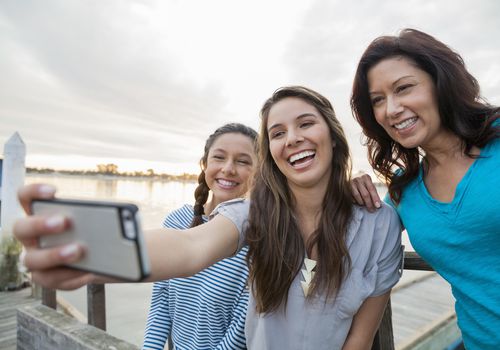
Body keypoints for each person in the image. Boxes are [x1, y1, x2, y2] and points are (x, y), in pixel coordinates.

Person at [15, 86, 403, 350]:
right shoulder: (254, 214)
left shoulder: (380, 223)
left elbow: (359, 340)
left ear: (333, 137)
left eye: (305, 124)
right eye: (277, 132)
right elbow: (188, 247)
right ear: (272, 152)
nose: (293, 139)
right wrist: (87, 254)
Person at [350, 28, 500, 350]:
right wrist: (345, 189)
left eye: (403, 88)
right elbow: (355, 241)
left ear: (440, 82)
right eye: (378, 100)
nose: (391, 109)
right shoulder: (404, 191)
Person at [143, 123, 257, 350]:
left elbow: (240, 332)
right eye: (219, 158)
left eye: (243, 161)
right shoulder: (176, 221)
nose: (228, 169)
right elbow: (161, 303)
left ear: (260, 171)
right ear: (205, 165)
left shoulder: (260, 238)